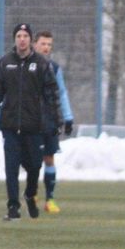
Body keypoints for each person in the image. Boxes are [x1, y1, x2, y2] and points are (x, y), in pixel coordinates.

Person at [0, 23, 62, 220]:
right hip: (10, 126)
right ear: (14, 39)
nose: (22, 39)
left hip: (34, 125)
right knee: (11, 168)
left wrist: (56, 119)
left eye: (25, 35)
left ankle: (30, 194)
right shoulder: (5, 63)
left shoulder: (41, 64)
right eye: (19, 35)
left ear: (30, 39)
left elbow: (52, 93)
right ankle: (13, 207)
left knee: (35, 166)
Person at [33, 30, 74, 213]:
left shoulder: (55, 68)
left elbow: (62, 93)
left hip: (49, 121)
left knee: (49, 158)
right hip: (30, 120)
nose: (46, 48)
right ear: (35, 45)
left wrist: (67, 117)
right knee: (31, 160)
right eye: (43, 44)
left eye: (49, 45)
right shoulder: (26, 66)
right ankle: (31, 194)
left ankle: (50, 199)